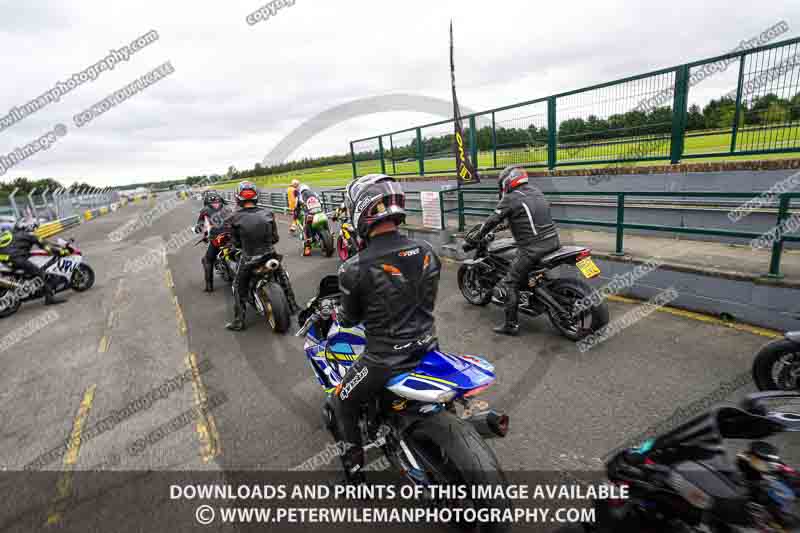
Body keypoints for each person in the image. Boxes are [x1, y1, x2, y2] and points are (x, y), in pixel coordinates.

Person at [332, 174, 441, 481]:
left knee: (341, 401)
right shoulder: (427, 250)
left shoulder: (353, 268)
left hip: (383, 361)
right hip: (429, 346)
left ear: (360, 211)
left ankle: (354, 477)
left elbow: (350, 319)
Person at [467, 165, 560, 336]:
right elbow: (524, 216)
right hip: (553, 242)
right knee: (523, 270)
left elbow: (491, 220)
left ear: (508, 181)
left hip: (532, 248)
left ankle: (511, 325)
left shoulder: (510, 198)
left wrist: (478, 235)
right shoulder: (535, 191)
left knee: (510, 283)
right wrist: (505, 225)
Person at [224, 181, 299, 331]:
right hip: (270, 255)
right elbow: (275, 238)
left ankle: (239, 321)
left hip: (249, 258)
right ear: (256, 196)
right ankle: (293, 306)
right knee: (283, 277)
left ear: (238, 198)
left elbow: (236, 243)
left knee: (238, 287)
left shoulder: (232, 219)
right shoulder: (268, 214)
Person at [0, 218, 69, 305]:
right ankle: (49, 298)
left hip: (4, 260)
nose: (35, 229)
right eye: (34, 227)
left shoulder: (8, 233)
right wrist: (60, 252)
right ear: (30, 227)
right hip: (16, 258)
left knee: (28, 270)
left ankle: (26, 285)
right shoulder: (30, 235)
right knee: (41, 273)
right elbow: (46, 247)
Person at [194, 191, 232, 293]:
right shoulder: (228, 208)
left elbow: (200, 226)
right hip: (233, 236)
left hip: (218, 238)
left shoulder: (204, 210)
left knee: (207, 260)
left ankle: (209, 286)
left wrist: (198, 229)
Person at [295, 183, 324, 256]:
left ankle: (307, 248)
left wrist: (296, 215)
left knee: (305, 229)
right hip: (320, 212)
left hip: (309, 214)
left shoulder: (300, 196)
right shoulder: (314, 193)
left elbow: (297, 208)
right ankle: (330, 237)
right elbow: (321, 202)